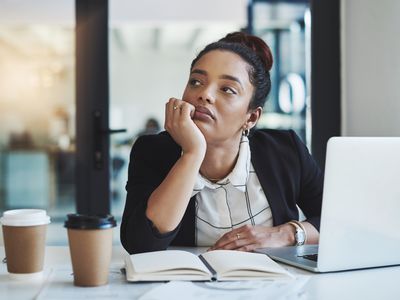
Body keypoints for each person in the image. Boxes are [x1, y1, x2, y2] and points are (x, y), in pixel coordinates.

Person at [121, 32, 323, 254]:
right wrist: (192, 153)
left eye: (227, 89)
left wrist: (286, 234)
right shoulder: (152, 151)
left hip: (276, 282)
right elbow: (139, 244)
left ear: (252, 117)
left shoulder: (286, 150)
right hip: (187, 285)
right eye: (196, 82)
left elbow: (339, 221)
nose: (204, 94)